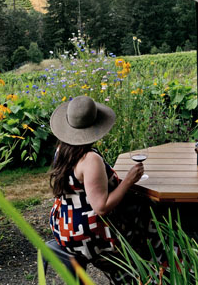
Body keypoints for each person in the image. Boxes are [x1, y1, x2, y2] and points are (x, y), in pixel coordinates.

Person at [48, 95, 154, 273]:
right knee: (151, 224)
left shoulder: (62, 150)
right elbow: (102, 207)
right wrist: (128, 180)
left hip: (64, 226)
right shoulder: (90, 159)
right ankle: (143, 282)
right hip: (87, 235)